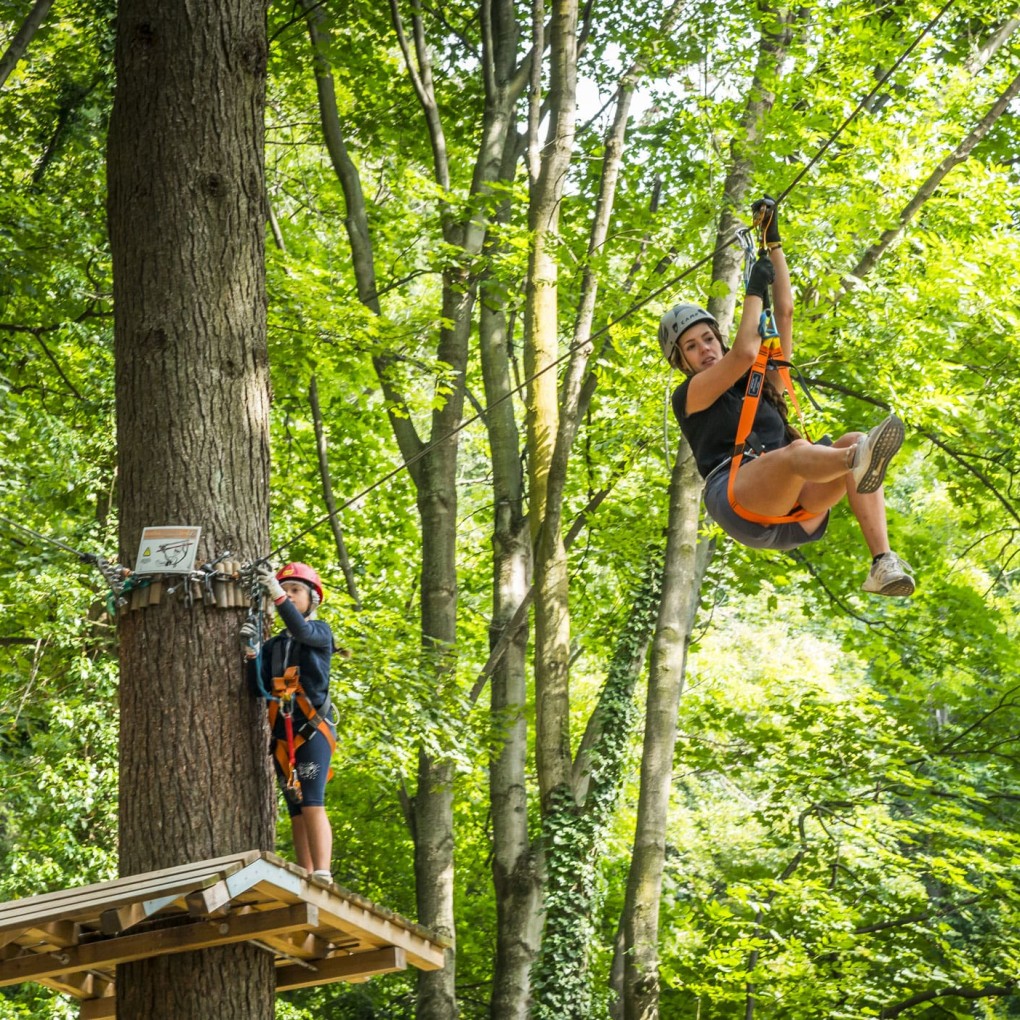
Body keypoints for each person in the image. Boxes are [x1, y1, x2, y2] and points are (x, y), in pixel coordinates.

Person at [658, 196, 915, 597]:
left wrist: (772, 244)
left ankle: (882, 563)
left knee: (852, 439)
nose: (705, 349)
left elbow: (786, 311)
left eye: (709, 338)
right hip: (739, 498)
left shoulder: (760, 386)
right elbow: (744, 352)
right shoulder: (689, 396)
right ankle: (858, 461)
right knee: (811, 455)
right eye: (692, 346)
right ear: (682, 361)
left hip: (796, 513)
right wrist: (752, 289)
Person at [242, 561, 337, 880]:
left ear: (313, 599)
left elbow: (302, 630)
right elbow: (257, 688)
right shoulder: (275, 647)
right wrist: (252, 655)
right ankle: (305, 872)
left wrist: (276, 592)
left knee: (311, 800)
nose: (290, 594)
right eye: (286, 589)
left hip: (312, 731)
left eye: (297, 590)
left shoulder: (320, 633)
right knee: (296, 809)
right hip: (284, 737)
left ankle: (323, 873)